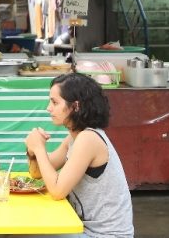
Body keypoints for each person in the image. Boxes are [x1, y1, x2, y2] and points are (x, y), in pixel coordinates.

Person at [24, 72, 134, 238]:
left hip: (104, 235)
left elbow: (57, 191)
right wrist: (32, 153)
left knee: (24, 233)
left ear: (75, 106)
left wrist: (39, 149)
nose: (48, 108)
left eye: (54, 102)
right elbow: (38, 173)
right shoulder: (74, 137)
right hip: (85, 229)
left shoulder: (88, 139)